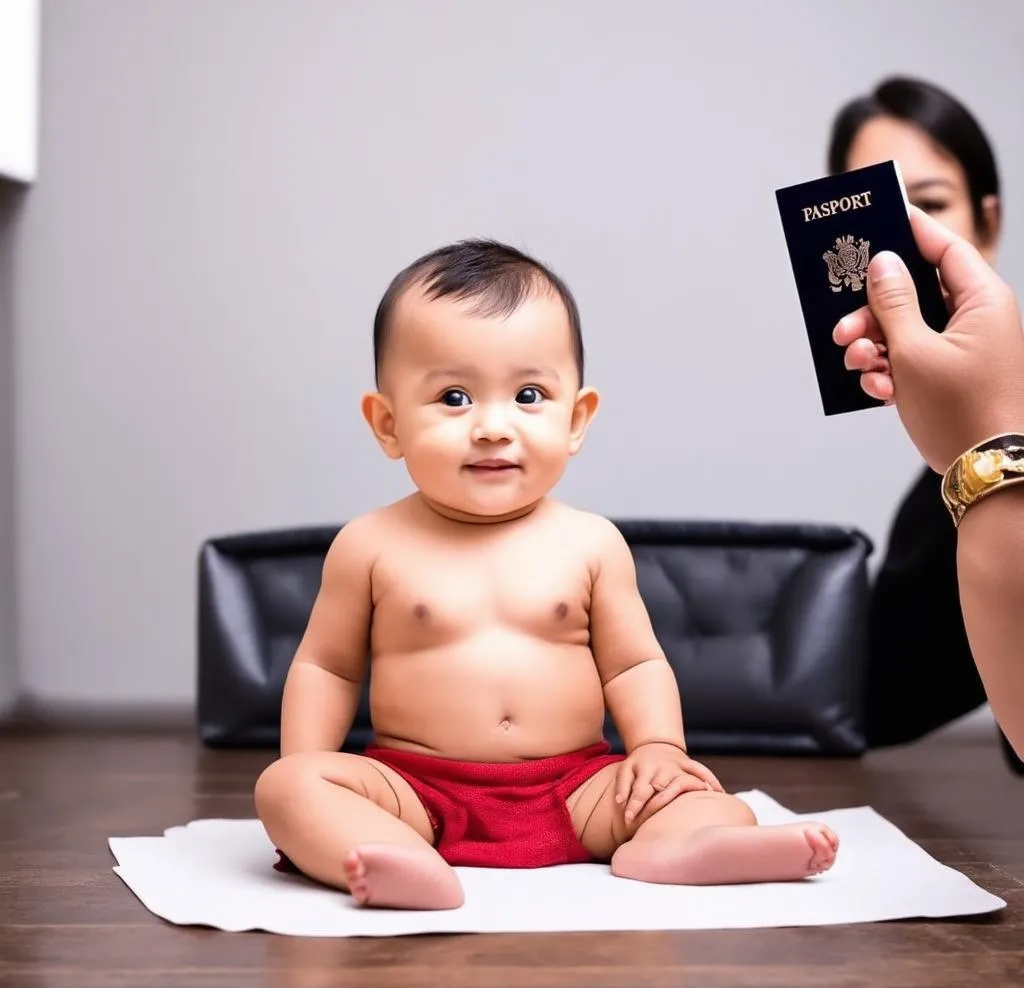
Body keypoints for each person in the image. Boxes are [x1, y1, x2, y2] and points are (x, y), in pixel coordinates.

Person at [254, 240, 839, 911]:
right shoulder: (369, 545)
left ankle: (678, 846)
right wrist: (304, 770)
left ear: (576, 419)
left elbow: (634, 665)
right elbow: (326, 668)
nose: (493, 427)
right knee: (287, 792)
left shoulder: (591, 543)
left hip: (578, 789)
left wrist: (657, 750)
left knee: (697, 797)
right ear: (388, 425)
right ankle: (399, 860)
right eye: (453, 397)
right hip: (415, 791)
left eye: (529, 395)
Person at [827, 76, 1022, 771]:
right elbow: (882, 699)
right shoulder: (936, 497)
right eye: (876, 213)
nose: (898, 250)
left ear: (987, 226)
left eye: (929, 206)